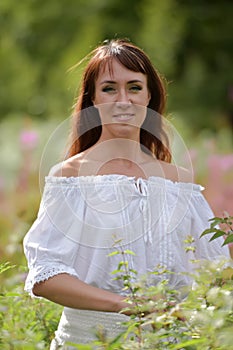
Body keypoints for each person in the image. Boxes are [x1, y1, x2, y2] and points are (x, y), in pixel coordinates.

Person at [23, 39, 230, 349]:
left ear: (149, 96)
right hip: (90, 343)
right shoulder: (70, 178)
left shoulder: (180, 183)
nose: (123, 100)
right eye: (109, 88)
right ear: (92, 99)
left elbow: (219, 273)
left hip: (171, 342)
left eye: (134, 87)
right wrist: (128, 304)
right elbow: (45, 276)